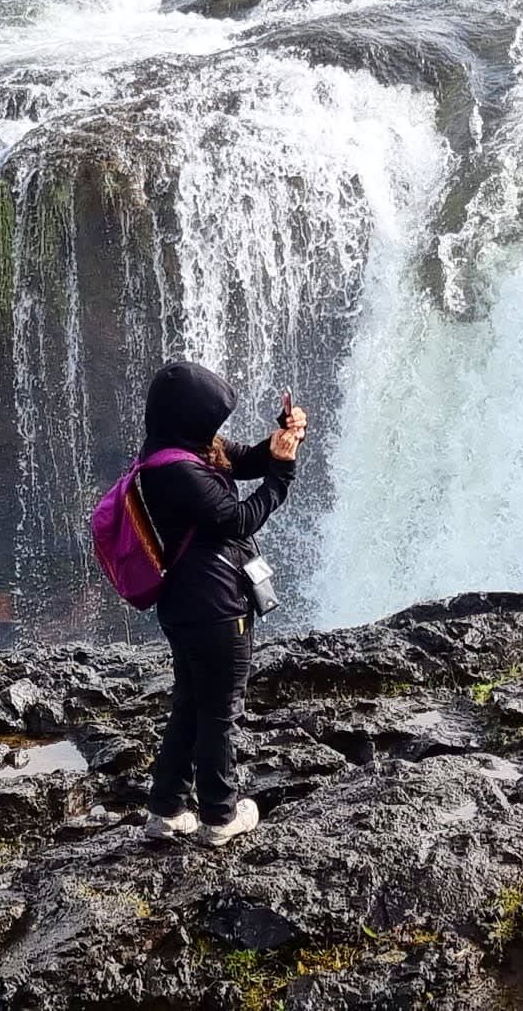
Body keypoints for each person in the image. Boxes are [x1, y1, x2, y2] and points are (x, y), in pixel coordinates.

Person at [136, 361, 307, 846]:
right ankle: (219, 815)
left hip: (184, 605)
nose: (219, 431)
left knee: (191, 703)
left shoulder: (171, 450)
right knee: (220, 711)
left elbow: (245, 461)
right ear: (191, 418)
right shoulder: (181, 475)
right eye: (212, 419)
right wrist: (283, 475)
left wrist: (278, 443)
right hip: (216, 608)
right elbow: (238, 519)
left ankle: (166, 810)